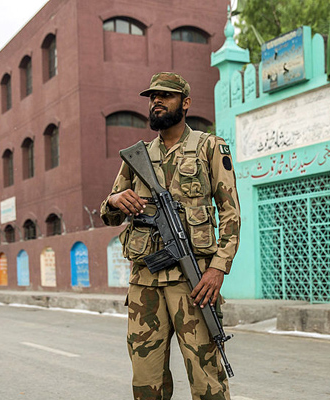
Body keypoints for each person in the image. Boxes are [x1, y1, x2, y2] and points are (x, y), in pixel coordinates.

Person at [100, 72, 240, 400]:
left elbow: (231, 213)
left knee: (207, 380)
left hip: (194, 283)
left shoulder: (210, 147)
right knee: (146, 381)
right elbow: (109, 212)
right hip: (145, 283)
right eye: (152, 97)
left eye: (166, 96)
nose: (157, 102)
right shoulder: (136, 157)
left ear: (186, 103)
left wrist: (218, 267)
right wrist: (116, 200)